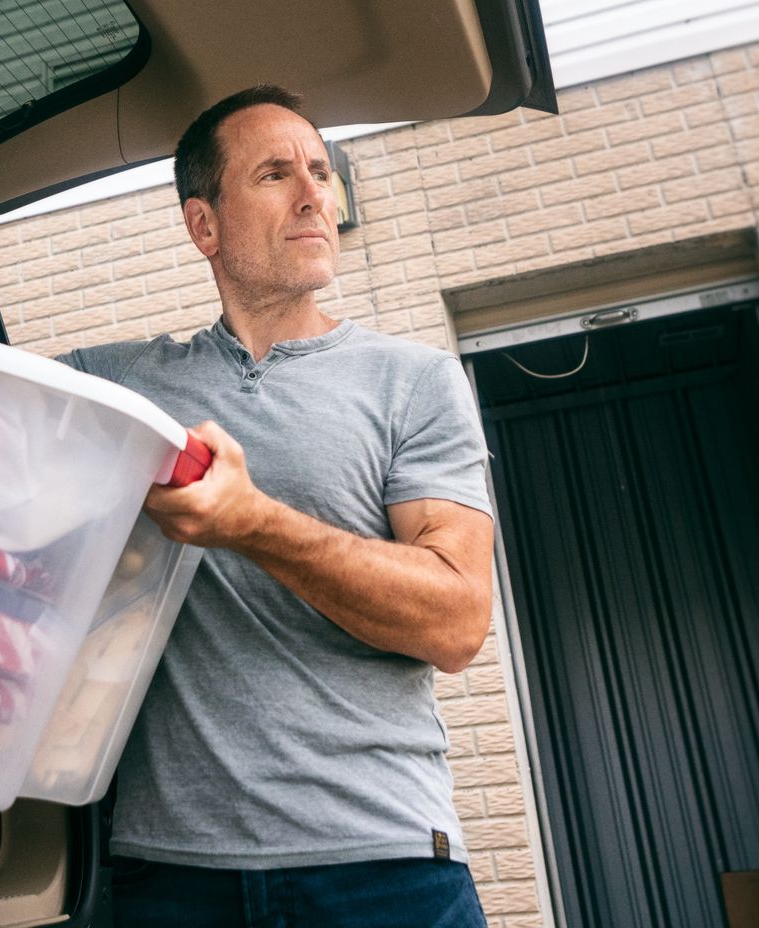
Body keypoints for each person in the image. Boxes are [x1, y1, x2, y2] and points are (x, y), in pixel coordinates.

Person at [57, 85, 496, 927]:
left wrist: (253, 523)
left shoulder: (413, 382)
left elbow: (457, 620)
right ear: (204, 226)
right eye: (273, 173)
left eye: (320, 171)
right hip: (168, 876)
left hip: (384, 866)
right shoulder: (117, 386)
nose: (313, 194)